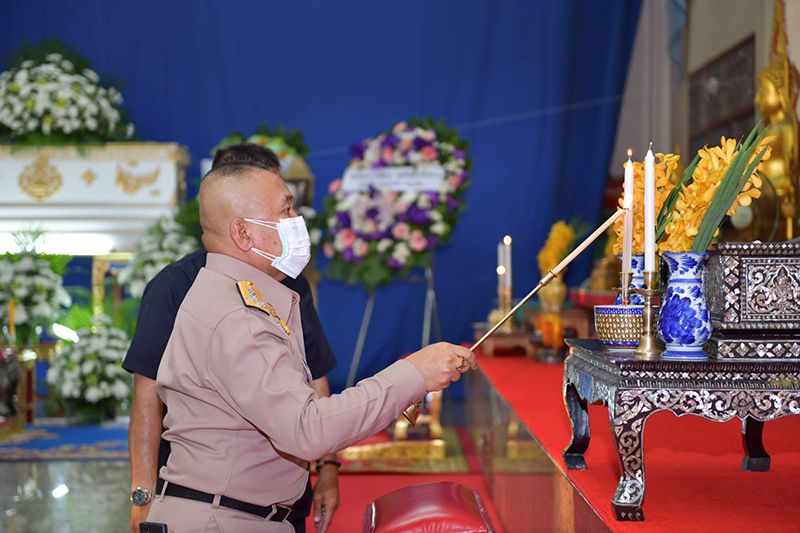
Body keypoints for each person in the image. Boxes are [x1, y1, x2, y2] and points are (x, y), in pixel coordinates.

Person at [145, 160, 475, 531]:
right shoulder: (237, 317)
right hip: (220, 520)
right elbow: (306, 429)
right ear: (243, 233)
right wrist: (413, 374)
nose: (297, 220)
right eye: (285, 210)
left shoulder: (240, 297)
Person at [124, 144, 340, 533]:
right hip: (208, 496)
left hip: (285, 496)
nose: (293, 220)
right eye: (282, 208)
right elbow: (147, 394)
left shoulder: (290, 282)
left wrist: (328, 467)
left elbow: (315, 374)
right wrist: (142, 493)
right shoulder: (175, 286)